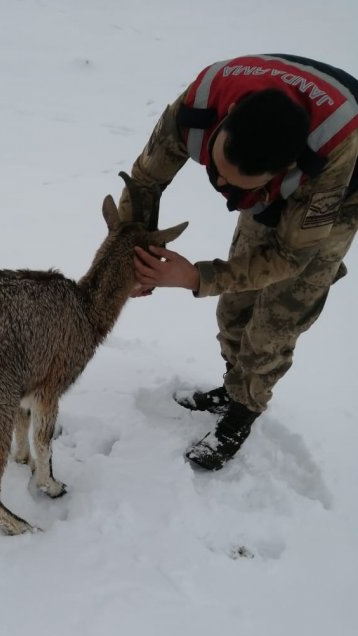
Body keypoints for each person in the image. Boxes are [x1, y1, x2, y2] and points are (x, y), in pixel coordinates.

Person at [122, 54, 358, 470]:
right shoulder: (199, 103)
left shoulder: (330, 155)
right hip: (277, 169)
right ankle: (234, 385)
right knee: (234, 307)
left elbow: (290, 256)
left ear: (286, 169)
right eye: (217, 168)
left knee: (278, 317)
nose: (219, 184)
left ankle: (244, 410)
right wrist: (133, 258)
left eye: (235, 184)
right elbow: (144, 181)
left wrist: (196, 276)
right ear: (229, 114)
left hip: (339, 199)